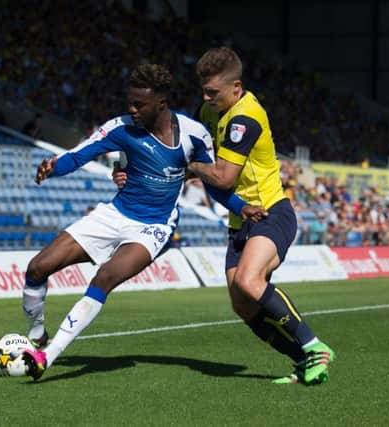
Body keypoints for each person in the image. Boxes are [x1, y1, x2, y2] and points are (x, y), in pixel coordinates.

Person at [20, 64, 265, 380]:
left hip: (154, 226)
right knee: (37, 267)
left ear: (161, 102)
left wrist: (240, 206)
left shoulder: (194, 135)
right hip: (114, 214)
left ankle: (47, 356)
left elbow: (213, 182)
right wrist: (53, 168)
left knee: (104, 277)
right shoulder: (121, 128)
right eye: (130, 102)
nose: (131, 109)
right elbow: (81, 153)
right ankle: (37, 333)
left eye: (139, 104)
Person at [114, 48, 335, 385]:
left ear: (236, 87)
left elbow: (223, 177)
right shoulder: (209, 110)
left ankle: (314, 345)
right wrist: (132, 167)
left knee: (249, 281)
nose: (205, 98)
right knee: (242, 305)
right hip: (239, 220)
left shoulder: (245, 118)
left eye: (213, 92)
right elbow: (179, 146)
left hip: (270, 212)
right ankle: (303, 361)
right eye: (203, 91)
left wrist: (190, 167)